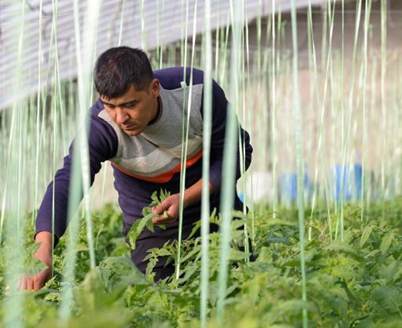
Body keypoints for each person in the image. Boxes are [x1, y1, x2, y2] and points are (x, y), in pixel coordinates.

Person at [20, 46, 252, 290]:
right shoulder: (102, 127)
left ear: (154, 89)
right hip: (152, 223)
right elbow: (69, 180)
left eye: (130, 104)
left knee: (240, 288)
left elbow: (237, 151)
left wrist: (187, 197)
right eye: (110, 105)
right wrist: (44, 247)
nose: (120, 118)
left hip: (214, 203)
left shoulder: (196, 92)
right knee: (165, 304)